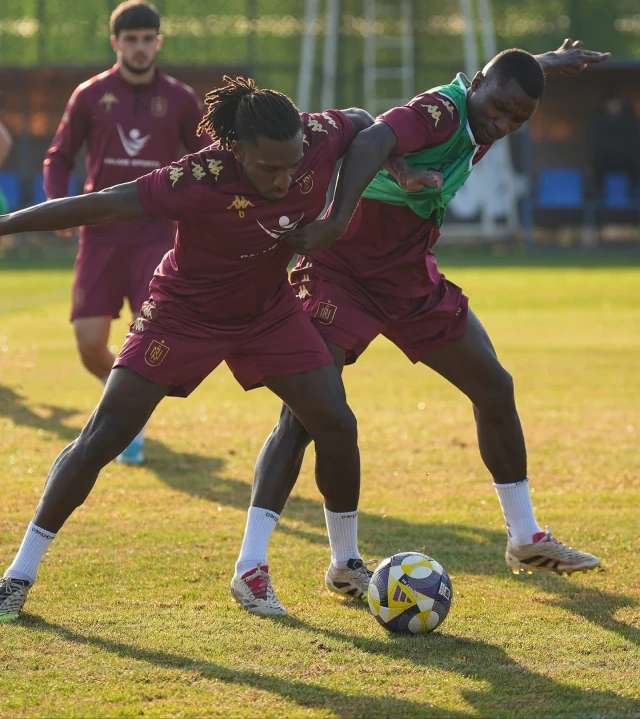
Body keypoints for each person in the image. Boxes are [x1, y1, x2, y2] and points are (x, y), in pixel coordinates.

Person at [232, 41, 610, 615]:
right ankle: (257, 567)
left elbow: (506, 78)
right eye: (499, 108)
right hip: (342, 273)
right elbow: (372, 139)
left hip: (408, 279)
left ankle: (526, 538)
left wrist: (549, 63)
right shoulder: (441, 110)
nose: (502, 122)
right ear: (476, 83)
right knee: (307, 417)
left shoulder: (487, 107)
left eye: (518, 118)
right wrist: (340, 216)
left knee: (495, 387)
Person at [0, 76, 374, 623]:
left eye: (293, 164)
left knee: (336, 424)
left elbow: (367, 125)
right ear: (236, 150)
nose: (286, 177)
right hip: (183, 314)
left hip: (268, 313)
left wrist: (340, 214)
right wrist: (7, 224)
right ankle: (18, 575)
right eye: (270, 167)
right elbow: (103, 203)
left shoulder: (316, 136)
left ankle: (343, 562)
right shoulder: (196, 177)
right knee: (103, 437)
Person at [43, 0, 208, 464]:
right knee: (90, 342)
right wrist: (58, 205)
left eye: (148, 38)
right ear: (115, 42)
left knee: (151, 335)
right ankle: (118, 402)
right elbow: (59, 155)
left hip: (158, 232)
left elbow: (207, 162)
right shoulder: (90, 94)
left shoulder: (181, 98)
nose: (140, 47)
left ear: (159, 41)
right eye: (131, 39)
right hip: (100, 232)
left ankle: (127, 421)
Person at [588, 91, 640, 200]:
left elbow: (634, 140)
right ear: (606, 103)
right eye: (612, 103)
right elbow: (596, 141)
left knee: (637, 161)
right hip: (606, 158)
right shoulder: (598, 119)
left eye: (617, 103)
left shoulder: (630, 118)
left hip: (626, 158)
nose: (615, 106)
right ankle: (600, 194)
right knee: (597, 162)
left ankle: (633, 193)